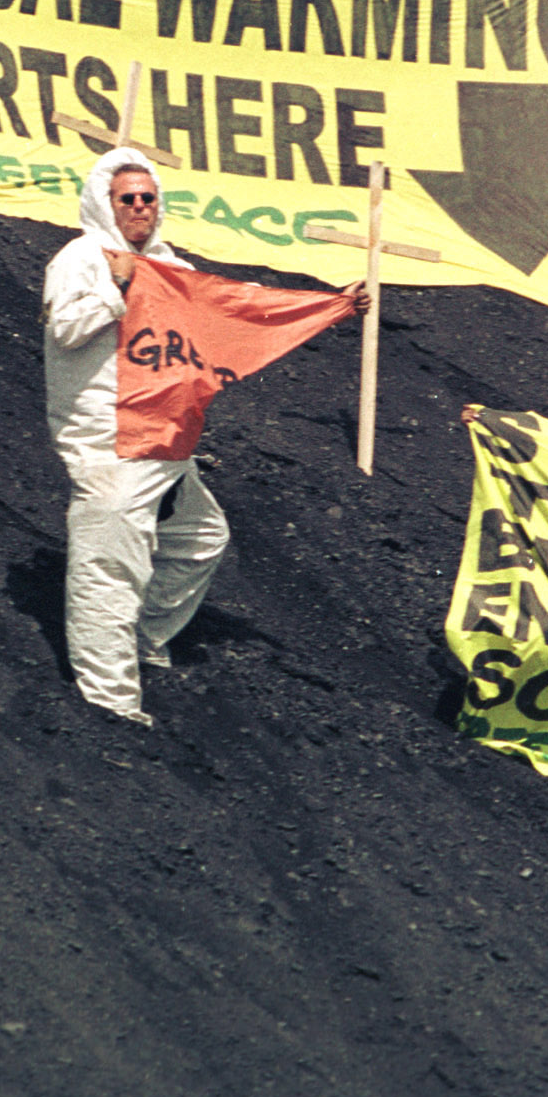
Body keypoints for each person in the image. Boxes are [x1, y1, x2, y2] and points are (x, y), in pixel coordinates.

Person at [45, 147, 366, 726]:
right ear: (103, 203)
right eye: (126, 199)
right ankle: (109, 704)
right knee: (109, 570)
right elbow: (64, 330)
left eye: (147, 198)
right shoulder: (82, 258)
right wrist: (116, 287)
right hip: (112, 445)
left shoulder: (171, 267)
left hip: (166, 443)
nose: (138, 207)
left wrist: (329, 306)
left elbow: (234, 308)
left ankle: (140, 638)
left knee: (200, 538)